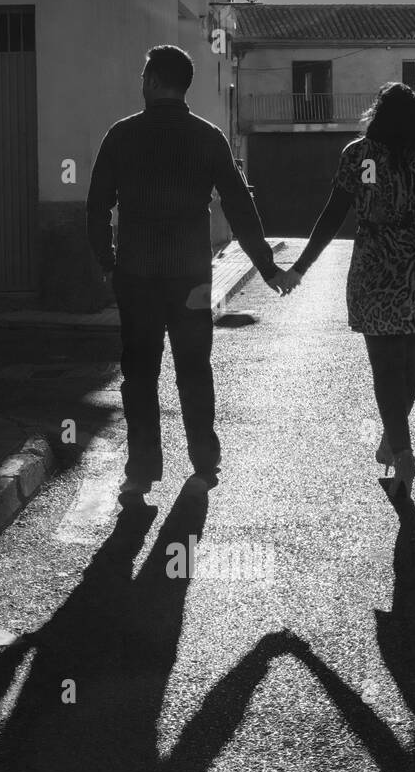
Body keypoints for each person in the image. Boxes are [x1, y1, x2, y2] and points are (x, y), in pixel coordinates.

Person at [87, 44, 293, 506]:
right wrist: (266, 265)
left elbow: (97, 205)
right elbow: (239, 205)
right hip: (192, 278)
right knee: (194, 370)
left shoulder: (121, 136)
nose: (141, 83)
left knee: (139, 374)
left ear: (156, 81)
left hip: (137, 274)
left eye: (145, 75)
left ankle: (140, 473)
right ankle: (203, 462)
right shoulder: (208, 137)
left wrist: (107, 262)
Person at [281, 83, 415, 502]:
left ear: (375, 115)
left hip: (375, 264)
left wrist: (301, 267)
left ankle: (400, 448)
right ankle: (395, 441)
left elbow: (333, 214)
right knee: (409, 362)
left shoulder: (359, 155)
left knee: (382, 367)